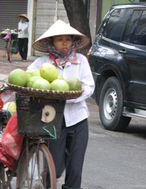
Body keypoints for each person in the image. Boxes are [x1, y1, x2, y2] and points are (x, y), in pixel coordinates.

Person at [27, 20, 95, 189]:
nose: (64, 43)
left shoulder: (80, 61)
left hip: (78, 120)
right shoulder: (42, 63)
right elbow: (26, 79)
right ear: (52, 43)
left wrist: (69, 96)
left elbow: (89, 86)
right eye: (59, 40)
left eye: (67, 39)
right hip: (53, 120)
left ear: (73, 41)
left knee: (75, 169)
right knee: (54, 169)